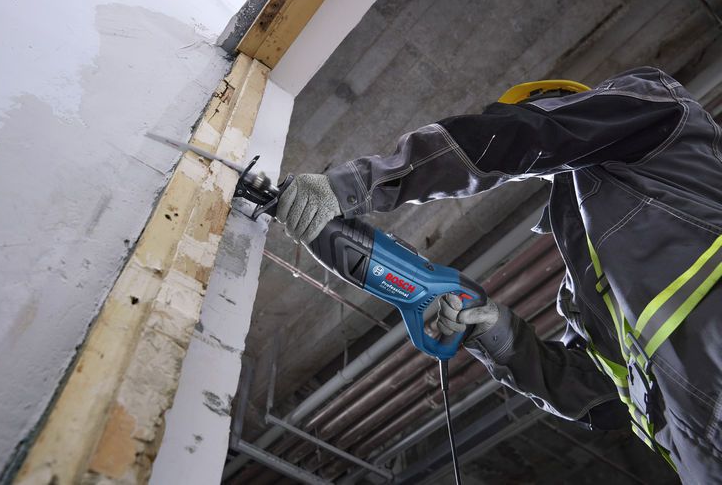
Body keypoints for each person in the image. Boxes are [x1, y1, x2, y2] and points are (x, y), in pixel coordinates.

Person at [276, 67, 722, 483]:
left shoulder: (662, 117)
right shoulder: (584, 294)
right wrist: (495, 332)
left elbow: (523, 137)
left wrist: (355, 184)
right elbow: (603, 402)